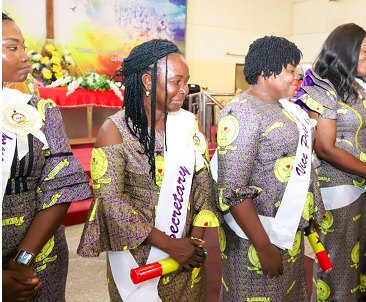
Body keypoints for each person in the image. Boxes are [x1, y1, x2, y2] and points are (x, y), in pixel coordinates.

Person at [78, 39, 221, 301]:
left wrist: (194, 243)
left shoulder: (188, 124)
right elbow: (111, 202)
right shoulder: (115, 131)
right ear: (146, 81)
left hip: (188, 254)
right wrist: (171, 246)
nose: (184, 90)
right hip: (140, 256)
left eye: (186, 81)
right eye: (176, 81)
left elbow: (201, 183)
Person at [215, 36, 324, 301]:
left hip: (287, 229)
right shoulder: (242, 111)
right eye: (290, 70)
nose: (296, 76)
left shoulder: (287, 108)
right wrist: (263, 247)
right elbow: (233, 189)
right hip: (255, 234)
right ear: (266, 71)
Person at [297, 23, 366, 301]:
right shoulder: (321, 87)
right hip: (340, 191)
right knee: (338, 266)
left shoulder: (361, 87)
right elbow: (325, 147)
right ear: (346, 51)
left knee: (358, 263)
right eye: (364, 50)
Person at [2, 12, 92, 302]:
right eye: (12, 47)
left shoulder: (40, 110)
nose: (25, 56)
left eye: (24, 47)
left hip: (40, 258)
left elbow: (61, 187)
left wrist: (22, 260)